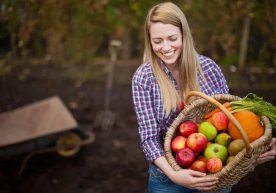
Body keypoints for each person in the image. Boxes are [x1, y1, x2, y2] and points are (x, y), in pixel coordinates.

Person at [131, 2, 276, 193]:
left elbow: (231, 114)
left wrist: (262, 143)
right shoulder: (144, 78)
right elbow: (149, 138)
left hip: (214, 174)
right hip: (167, 179)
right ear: (149, 41)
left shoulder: (208, 69)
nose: (165, 47)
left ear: (184, 35)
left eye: (172, 38)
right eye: (157, 41)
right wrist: (175, 175)